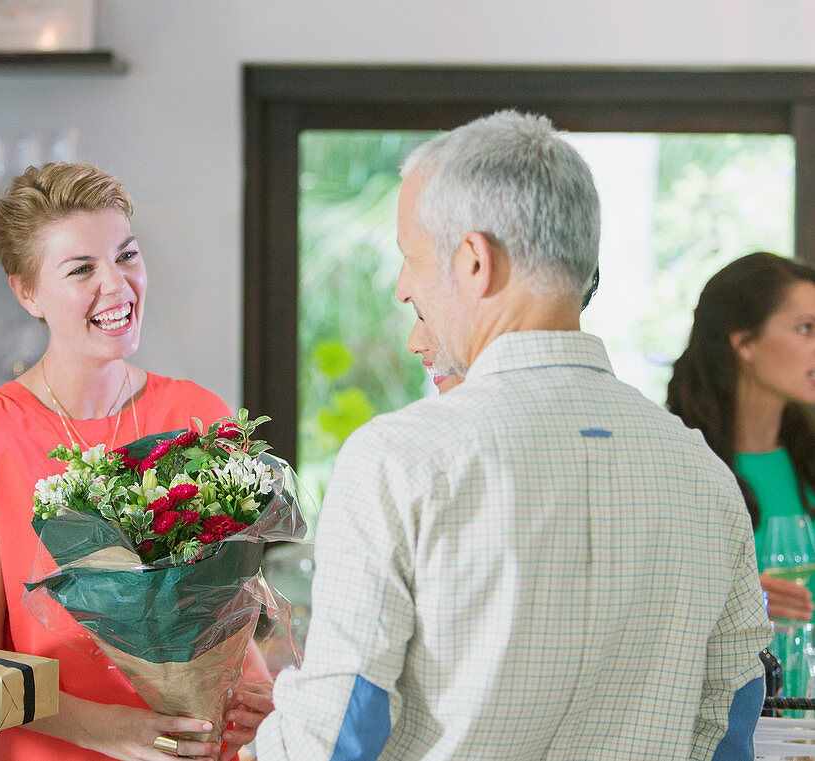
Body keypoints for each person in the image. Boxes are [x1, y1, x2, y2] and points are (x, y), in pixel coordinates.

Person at [253, 111, 771, 760]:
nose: (403, 285)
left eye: (411, 258)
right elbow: (729, 719)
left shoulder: (400, 459)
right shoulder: (703, 474)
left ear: (474, 260)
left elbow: (335, 732)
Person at [0, 162, 270, 761]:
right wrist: (106, 728)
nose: (117, 286)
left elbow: (228, 608)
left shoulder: (201, 415)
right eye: (82, 269)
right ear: (27, 292)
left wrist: (254, 690)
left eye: (126, 256)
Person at [668, 253, 815, 625]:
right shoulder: (676, 464)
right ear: (744, 343)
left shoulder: (809, 458)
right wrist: (738, 598)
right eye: (806, 329)